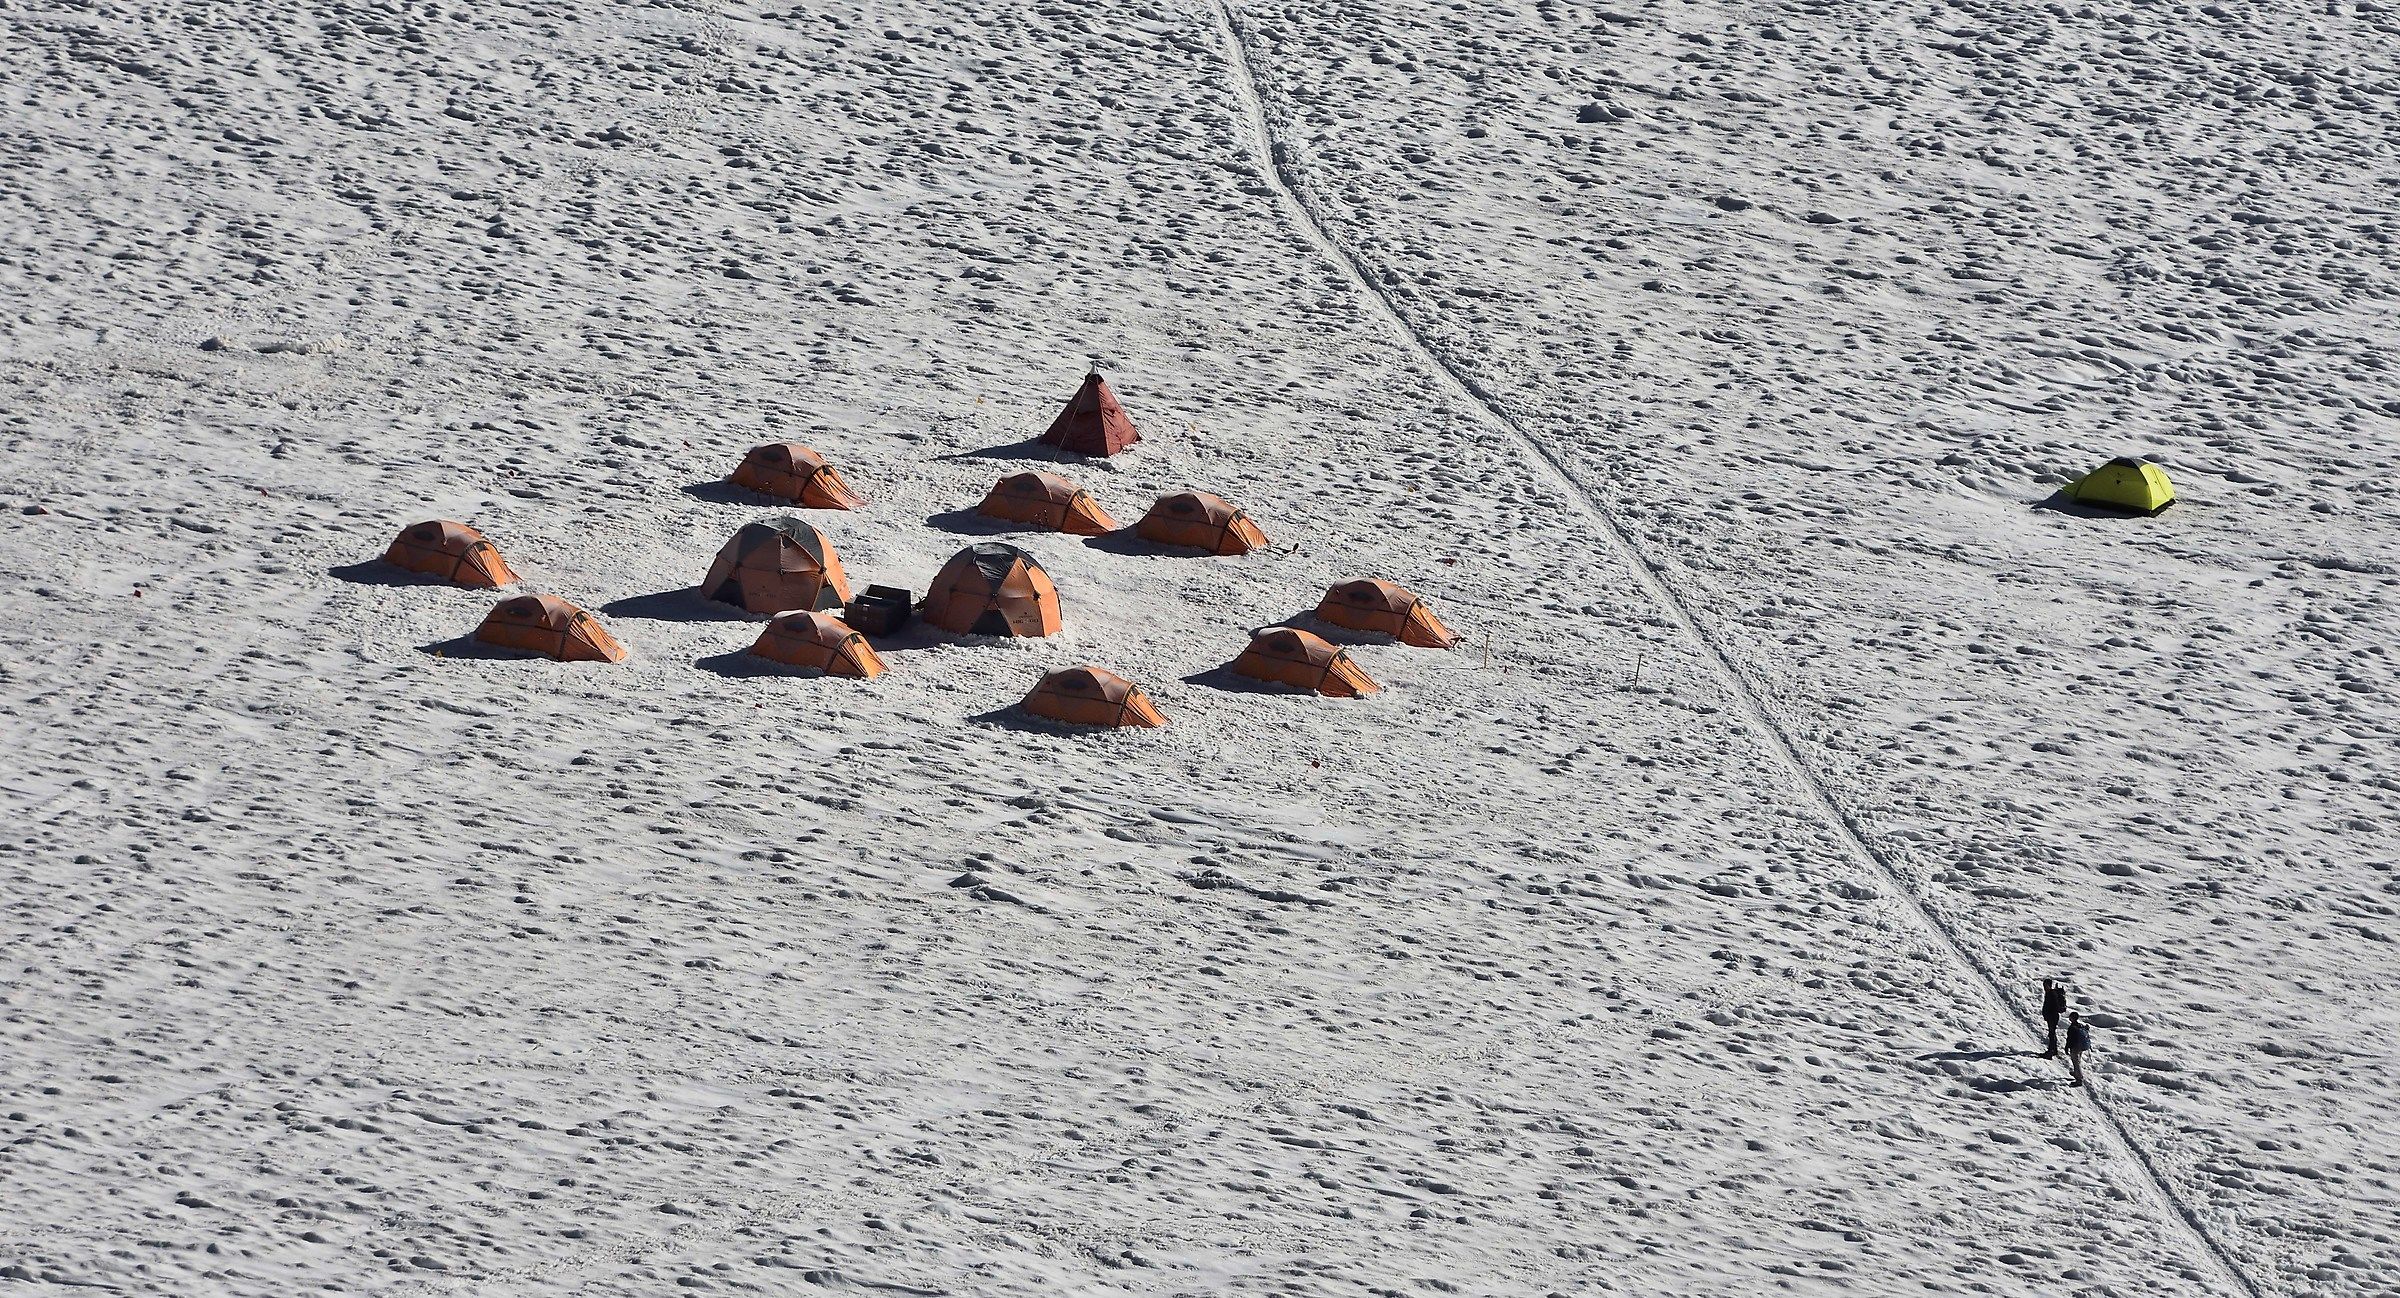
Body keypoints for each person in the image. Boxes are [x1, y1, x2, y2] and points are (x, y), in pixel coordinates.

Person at [2040, 978, 2068, 1057]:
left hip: (2052, 1016)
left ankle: (2050, 1051)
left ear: (2049, 985)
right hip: (2052, 1016)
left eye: (2045, 985)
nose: (2044, 987)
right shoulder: (2050, 993)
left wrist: (2048, 1014)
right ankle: (2054, 1050)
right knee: (2052, 1033)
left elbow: (2054, 1006)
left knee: (2051, 1034)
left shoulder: (2052, 994)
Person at [2065, 1011, 2093, 1086]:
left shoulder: (2072, 1028)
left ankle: (2079, 1079)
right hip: (2081, 1046)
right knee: (2078, 1060)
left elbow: (2069, 1039)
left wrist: (2067, 1047)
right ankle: (2076, 1073)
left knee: (2075, 1062)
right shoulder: (2081, 1026)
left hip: (2075, 1047)